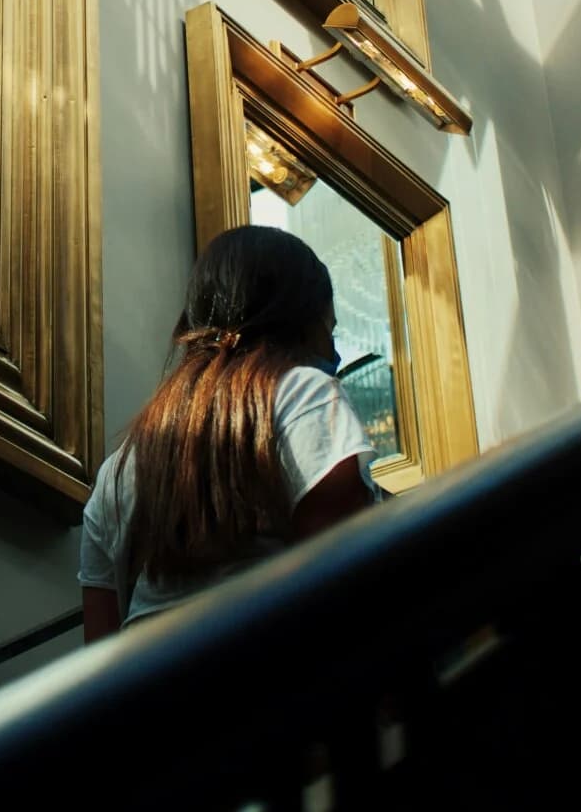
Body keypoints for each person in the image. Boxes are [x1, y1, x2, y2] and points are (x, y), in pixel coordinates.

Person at [79, 225, 379, 640]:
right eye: (329, 331)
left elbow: (100, 654)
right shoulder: (304, 396)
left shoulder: (115, 473)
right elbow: (351, 589)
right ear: (300, 324)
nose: (333, 353)